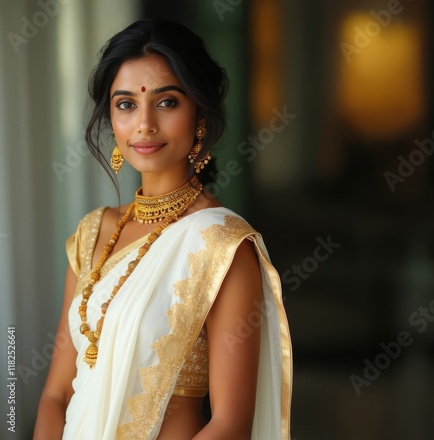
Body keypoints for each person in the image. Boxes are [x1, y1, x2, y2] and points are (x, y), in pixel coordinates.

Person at [33, 19, 292, 440]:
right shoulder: (92, 233)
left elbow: (231, 424)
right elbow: (56, 395)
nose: (145, 124)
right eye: (126, 104)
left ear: (200, 114)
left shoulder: (222, 245)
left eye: (167, 102)